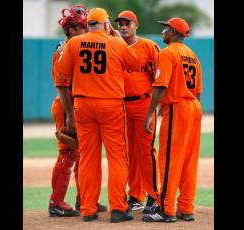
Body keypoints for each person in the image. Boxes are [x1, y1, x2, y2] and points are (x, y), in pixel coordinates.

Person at [54, 8, 142, 223]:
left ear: (89, 24)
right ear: (105, 24)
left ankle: (87, 208)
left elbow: (61, 74)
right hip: (110, 105)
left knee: (88, 159)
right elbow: (135, 64)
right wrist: (118, 37)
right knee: (117, 158)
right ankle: (118, 209)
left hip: (83, 105)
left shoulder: (74, 44)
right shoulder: (116, 42)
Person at [142, 17, 203, 223]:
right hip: (194, 107)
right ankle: (186, 208)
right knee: (188, 160)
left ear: (175, 32)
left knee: (169, 159)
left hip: (178, 107)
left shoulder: (167, 53)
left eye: (166, 28)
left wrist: (151, 111)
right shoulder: (192, 55)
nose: (163, 32)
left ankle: (165, 208)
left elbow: (160, 86)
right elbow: (199, 92)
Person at [48, 5, 106, 217]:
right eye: (83, 27)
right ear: (72, 29)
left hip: (79, 105)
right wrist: (70, 114)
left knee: (84, 155)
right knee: (68, 152)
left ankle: (85, 198)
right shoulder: (65, 49)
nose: (87, 30)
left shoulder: (81, 46)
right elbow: (62, 85)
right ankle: (56, 202)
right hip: (66, 104)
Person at [113, 10, 161, 213]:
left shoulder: (149, 46)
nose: (123, 26)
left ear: (136, 25)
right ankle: (135, 195)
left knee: (146, 151)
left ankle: (154, 195)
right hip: (121, 104)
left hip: (144, 104)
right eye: (120, 23)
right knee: (128, 154)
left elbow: (160, 78)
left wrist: (156, 108)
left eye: (127, 23)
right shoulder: (113, 46)